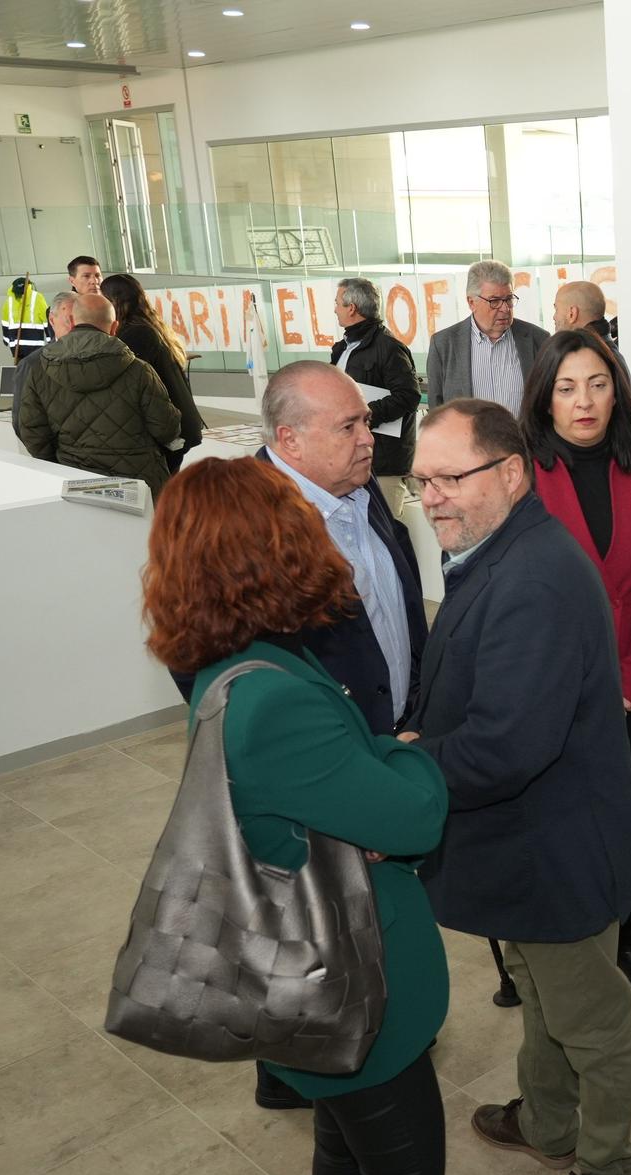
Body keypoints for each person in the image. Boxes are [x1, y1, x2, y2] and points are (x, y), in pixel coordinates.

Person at [141, 459, 472, 1175]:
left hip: (313, 998)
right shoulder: (274, 701)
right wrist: (400, 747)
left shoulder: (236, 664)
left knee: (343, 1144)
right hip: (347, 983)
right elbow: (414, 812)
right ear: (266, 549)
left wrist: (359, 771)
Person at [410, 398, 631, 1175]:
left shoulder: (535, 574)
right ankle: (546, 1118)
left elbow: (508, 744)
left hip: (556, 848)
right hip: (520, 846)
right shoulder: (498, 547)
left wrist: (410, 766)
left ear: (511, 473)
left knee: (587, 1014)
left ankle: (610, 1168)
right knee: (539, 989)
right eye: (421, 480)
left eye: (449, 478)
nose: (431, 497)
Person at [167, 361, 429, 1115]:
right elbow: (203, 658)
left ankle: (372, 1023)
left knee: (367, 915)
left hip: (378, 738)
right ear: (288, 438)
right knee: (307, 925)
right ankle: (298, 1064)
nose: (367, 438)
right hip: (310, 766)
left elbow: (392, 601)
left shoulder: (358, 487)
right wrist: (282, 750)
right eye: (348, 425)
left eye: (365, 421)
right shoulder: (243, 519)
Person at [524, 329, 631, 996]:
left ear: (616, 392)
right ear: (546, 399)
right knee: (550, 832)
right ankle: (537, 956)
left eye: (597, 384)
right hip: (549, 691)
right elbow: (515, 596)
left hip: (628, 685)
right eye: (567, 387)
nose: (584, 400)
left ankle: (626, 941)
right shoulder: (520, 474)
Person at [15, 291, 184, 495]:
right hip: (139, 481)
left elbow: (32, 432)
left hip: (75, 480)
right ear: (114, 328)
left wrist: (60, 463)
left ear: (71, 320)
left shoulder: (39, 371)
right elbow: (166, 428)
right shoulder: (139, 370)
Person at [332, 277, 423, 515]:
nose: (334, 309)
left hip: (383, 464)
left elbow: (409, 395)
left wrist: (363, 416)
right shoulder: (342, 348)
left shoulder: (389, 347)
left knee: (387, 536)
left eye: (337, 303)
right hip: (350, 459)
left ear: (351, 308)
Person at [102, 272, 205, 457]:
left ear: (113, 301)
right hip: (177, 425)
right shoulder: (148, 327)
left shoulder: (136, 334)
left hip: (172, 430)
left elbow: (135, 386)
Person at [423, 260, 547, 411]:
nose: (505, 308)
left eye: (508, 299)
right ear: (471, 302)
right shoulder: (443, 344)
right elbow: (437, 409)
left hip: (523, 435)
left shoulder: (539, 340)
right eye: (494, 301)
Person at [11, 291, 77, 432]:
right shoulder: (32, 364)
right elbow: (23, 422)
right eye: (68, 320)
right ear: (52, 320)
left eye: (80, 321)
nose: (74, 327)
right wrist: (51, 453)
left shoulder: (103, 356)